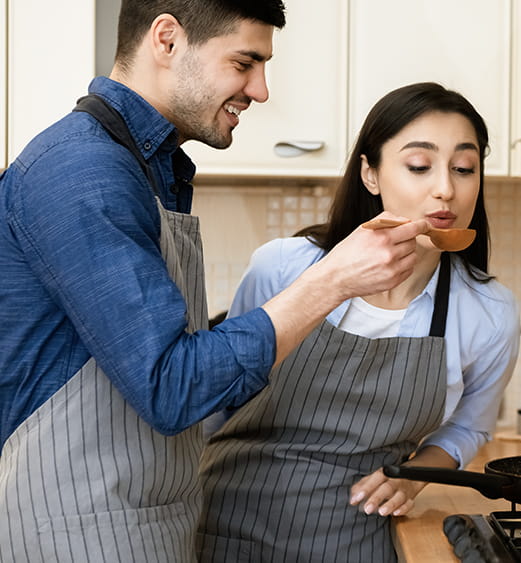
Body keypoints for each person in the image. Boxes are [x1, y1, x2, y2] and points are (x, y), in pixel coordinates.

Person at [0, 2, 428, 561]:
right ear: (167, 39)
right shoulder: (83, 170)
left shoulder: (151, 168)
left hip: (145, 522)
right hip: (73, 534)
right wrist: (332, 281)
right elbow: (171, 386)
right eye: (245, 62)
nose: (261, 89)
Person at [196, 82, 521, 562]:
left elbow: (469, 429)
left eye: (464, 168)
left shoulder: (489, 312)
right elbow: (214, 399)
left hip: (361, 536)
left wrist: (415, 477)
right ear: (371, 174)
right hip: (228, 525)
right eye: (419, 166)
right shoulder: (283, 268)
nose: (446, 188)